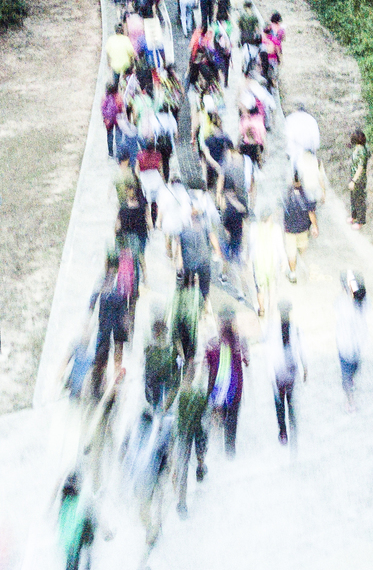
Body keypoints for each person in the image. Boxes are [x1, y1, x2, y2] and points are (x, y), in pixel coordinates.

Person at [205, 306, 249, 457]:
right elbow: (247, 359)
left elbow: (207, 365)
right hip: (236, 386)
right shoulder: (240, 340)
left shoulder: (212, 343)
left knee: (221, 412)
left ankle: (221, 427)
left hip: (218, 386)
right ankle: (230, 448)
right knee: (233, 415)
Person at [88, 252, 130, 396]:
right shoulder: (122, 278)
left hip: (105, 319)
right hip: (118, 319)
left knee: (102, 350)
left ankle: (99, 379)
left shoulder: (103, 278)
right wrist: (127, 322)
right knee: (118, 349)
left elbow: (93, 298)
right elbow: (126, 300)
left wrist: (90, 313)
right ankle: (116, 379)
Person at [172, 361, 208, 519]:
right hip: (197, 429)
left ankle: (182, 502)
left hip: (183, 434)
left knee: (183, 468)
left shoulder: (179, 393)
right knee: (200, 451)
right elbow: (205, 410)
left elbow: (175, 417)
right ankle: (200, 467)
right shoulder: (199, 391)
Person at [271, 300, 307, 446]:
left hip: (279, 371)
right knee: (290, 399)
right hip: (291, 370)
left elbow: (271, 352)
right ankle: (291, 425)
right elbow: (301, 349)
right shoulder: (295, 329)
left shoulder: (273, 330)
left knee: (279, 403)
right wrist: (305, 368)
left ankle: (283, 431)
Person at [335, 272, 369, 411]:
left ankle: (350, 402)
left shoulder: (343, 304)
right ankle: (351, 387)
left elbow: (339, 305)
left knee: (346, 375)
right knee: (354, 368)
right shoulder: (365, 303)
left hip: (345, 344)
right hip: (358, 344)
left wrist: (345, 291)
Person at [178, 200, 221, 301]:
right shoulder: (185, 223)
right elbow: (180, 242)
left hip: (203, 259)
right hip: (189, 259)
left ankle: (204, 304)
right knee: (188, 284)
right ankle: (189, 303)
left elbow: (211, 236)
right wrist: (179, 260)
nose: (195, 212)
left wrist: (217, 250)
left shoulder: (204, 223)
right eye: (193, 209)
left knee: (204, 285)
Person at [281, 173, 318, 283]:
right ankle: (301, 264)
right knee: (302, 249)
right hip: (303, 228)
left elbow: (281, 209)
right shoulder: (307, 194)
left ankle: (293, 273)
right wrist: (315, 226)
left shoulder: (286, 194)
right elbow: (311, 212)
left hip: (289, 229)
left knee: (291, 253)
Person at [144, 317, 179, 410]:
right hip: (161, 389)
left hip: (162, 390)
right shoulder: (152, 351)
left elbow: (148, 378)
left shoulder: (169, 351)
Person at [348, 129, 369, 229]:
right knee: (353, 197)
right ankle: (354, 216)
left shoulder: (361, 149)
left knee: (359, 199)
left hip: (359, 179)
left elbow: (360, 167)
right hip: (354, 176)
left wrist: (354, 180)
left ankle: (360, 220)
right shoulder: (357, 148)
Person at [101, 81, 121, 156]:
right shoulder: (117, 96)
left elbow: (102, 108)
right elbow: (121, 106)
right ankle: (119, 151)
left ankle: (110, 151)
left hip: (108, 120)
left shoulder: (105, 97)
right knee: (118, 134)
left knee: (109, 135)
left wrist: (105, 117)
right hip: (117, 118)